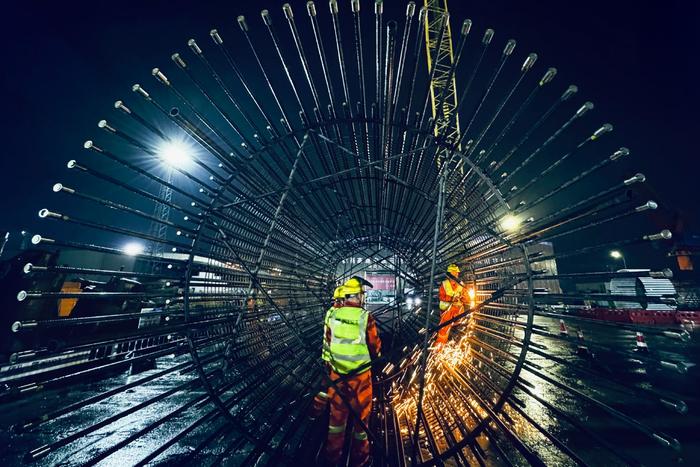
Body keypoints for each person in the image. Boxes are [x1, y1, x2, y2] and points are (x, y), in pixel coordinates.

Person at [322, 276, 381, 467]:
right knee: (361, 422)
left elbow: (329, 342)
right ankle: (360, 460)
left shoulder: (333, 316)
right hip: (360, 378)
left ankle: (332, 459)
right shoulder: (365, 317)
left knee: (336, 422)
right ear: (358, 296)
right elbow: (374, 346)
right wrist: (376, 356)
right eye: (362, 295)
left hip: (338, 376)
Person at [310, 286, 346, 421]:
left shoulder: (331, 312)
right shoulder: (337, 314)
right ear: (342, 300)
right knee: (329, 387)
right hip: (333, 359)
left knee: (326, 387)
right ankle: (320, 414)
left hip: (329, 358)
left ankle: (317, 412)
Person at [435, 264, 470, 346]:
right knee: (443, 330)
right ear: (449, 274)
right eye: (453, 273)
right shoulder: (444, 284)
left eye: (456, 273)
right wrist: (451, 299)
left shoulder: (461, 285)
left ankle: (456, 346)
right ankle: (439, 348)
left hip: (458, 311)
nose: (455, 275)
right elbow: (441, 296)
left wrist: (464, 297)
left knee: (461, 330)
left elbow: (467, 299)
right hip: (447, 310)